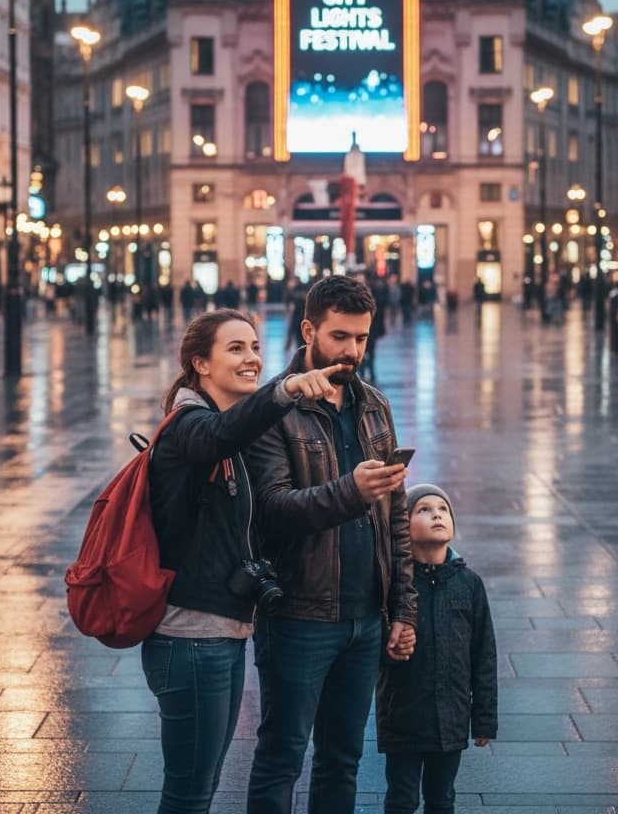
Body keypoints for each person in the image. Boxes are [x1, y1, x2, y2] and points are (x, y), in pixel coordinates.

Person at [144, 308, 345, 814]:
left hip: (222, 633)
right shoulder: (189, 427)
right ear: (200, 364)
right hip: (190, 637)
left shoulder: (223, 432)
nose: (252, 358)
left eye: (255, 347)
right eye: (235, 348)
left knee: (202, 784)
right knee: (189, 794)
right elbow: (220, 436)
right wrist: (289, 390)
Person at [246, 274, 418, 814]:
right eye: (340, 336)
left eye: (361, 338)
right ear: (309, 330)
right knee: (282, 757)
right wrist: (350, 491)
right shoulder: (274, 407)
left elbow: (396, 517)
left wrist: (403, 610)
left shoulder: (374, 407)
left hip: (365, 618)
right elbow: (271, 511)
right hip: (300, 615)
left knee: (342, 759)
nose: (351, 351)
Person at [377, 484, 498, 814]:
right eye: (424, 510)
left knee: (442, 798)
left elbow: (483, 653)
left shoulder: (469, 584)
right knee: (402, 798)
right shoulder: (393, 583)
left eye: (443, 510)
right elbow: (373, 644)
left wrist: (484, 718)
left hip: (451, 716)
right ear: (403, 527)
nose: (437, 515)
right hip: (402, 714)